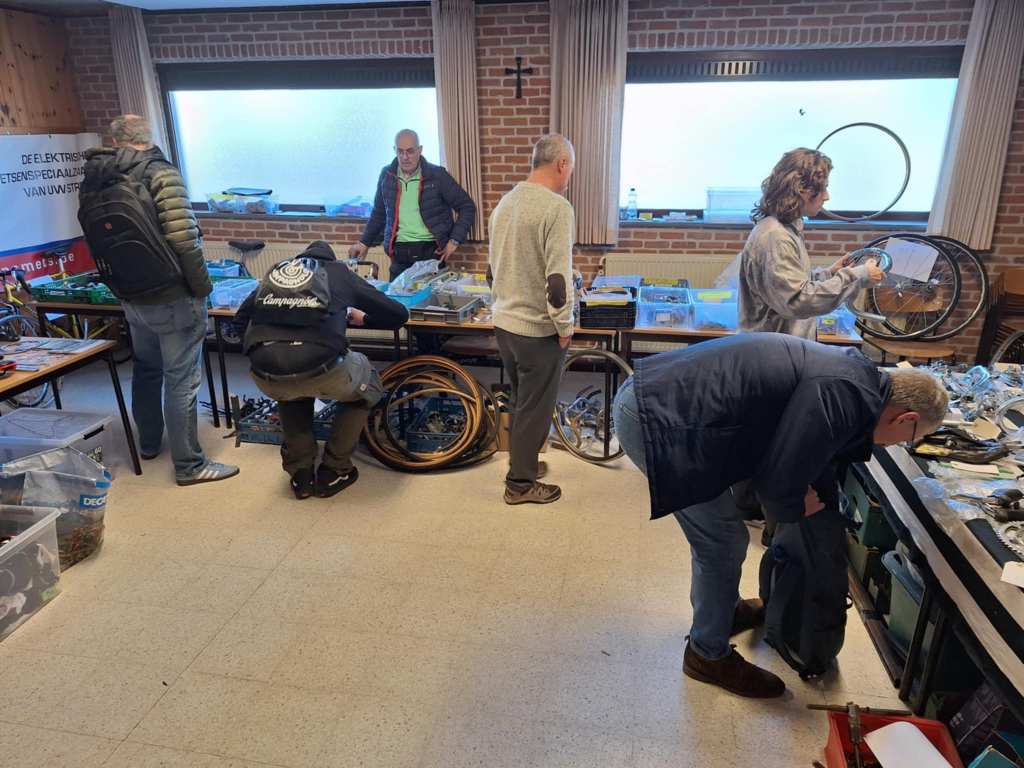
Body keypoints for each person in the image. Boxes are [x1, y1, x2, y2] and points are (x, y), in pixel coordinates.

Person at [612, 333, 948, 698]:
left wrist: (799, 491)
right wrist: (795, 503)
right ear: (906, 418)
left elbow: (804, 444)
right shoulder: (843, 393)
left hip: (665, 398)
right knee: (722, 543)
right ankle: (706, 655)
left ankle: (723, 612)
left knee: (724, 538)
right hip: (655, 417)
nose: (900, 444)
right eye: (910, 437)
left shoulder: (857, 380)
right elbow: (775, 484)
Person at [79, 114, 239, 486]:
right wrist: (202, 288)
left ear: (115, 140)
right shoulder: (160, 173)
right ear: (148, 136)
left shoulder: (96, 177)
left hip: (130, 293)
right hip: (172, 294)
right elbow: (183, 239)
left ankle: (149, 443)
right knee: (181, 378)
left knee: (147, 369)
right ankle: (190, 465)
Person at [235, 240, 409, 499]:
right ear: (330, 260)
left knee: (290, 391)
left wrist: (263, 352)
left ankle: (301, 474)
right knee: (367, 382)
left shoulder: (277, 273)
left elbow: (239, 321)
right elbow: (398, 314)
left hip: (266, 373)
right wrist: (364, 319)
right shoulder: (338, 273)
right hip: (322, 367)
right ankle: (334, 469)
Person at [488, 133, 576, 505]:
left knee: (523, 401)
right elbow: (557, 282)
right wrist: (565, 326)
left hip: (504, 323)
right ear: (561, 164)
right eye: (570, 168)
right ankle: (520, 485)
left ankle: (523, 463)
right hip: (536, 329)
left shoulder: (505, 203)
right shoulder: (557, 208)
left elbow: (492, 270)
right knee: (536, 408)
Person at [738, 148, 885, 340]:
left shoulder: (786, 228)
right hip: (774, 351)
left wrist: (829, 274)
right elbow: (798, 301)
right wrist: (859, 275)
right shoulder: (776, 237)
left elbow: (787, 284)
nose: (827, 196)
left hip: (782, 346)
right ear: (802, 190)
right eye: (823, 188)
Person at [348, 129, 477, 282]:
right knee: (396, 298)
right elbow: (378, 214)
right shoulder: (387, 175)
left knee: (430, 298)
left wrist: (454, 240)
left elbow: (467, 206)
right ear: (395, 150)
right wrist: (364, 243)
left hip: (431, 252)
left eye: (410, 151)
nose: (405, 157)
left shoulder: (437, 175)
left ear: (419, 150)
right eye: (400, 152)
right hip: (399, 254)